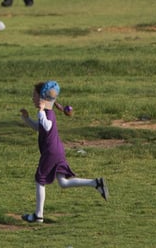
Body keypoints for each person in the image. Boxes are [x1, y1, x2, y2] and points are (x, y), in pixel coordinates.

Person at [19, 80, 107, 223]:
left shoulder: (48, 113)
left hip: (51, 152)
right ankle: (96, 183)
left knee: (39, 179)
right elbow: (39, 128)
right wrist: (26, 118)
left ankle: (38, 215)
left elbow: (46, 126)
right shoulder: (46, 113)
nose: (32, 99)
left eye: (34, 95)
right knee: (63, 182)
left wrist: (41, 111)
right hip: (57, 151)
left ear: (42, 97)